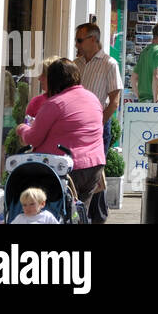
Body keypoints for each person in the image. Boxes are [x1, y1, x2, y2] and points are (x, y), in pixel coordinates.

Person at [17, 59, 104, 222]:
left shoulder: (55, 103)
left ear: (53, 80)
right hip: (94, 165)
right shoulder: (92, 98)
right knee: (78, 215)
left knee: (54, 215)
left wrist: (22, 128)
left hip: (64, 168)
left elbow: (33, 138)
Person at [75, 23, 121, 149]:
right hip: (77, 123)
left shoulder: (109, 64)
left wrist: (99, 123)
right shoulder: (76, 64)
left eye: (79, 40)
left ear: (93, 39)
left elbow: (114, 102)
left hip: (97, 125)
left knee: (96, 161)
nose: (76, 45)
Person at [25, 55, 62, 120]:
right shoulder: (36, 102)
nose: (39, 78)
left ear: (53, 77)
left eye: (43, 75)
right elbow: (27, 124)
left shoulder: (68, 102)